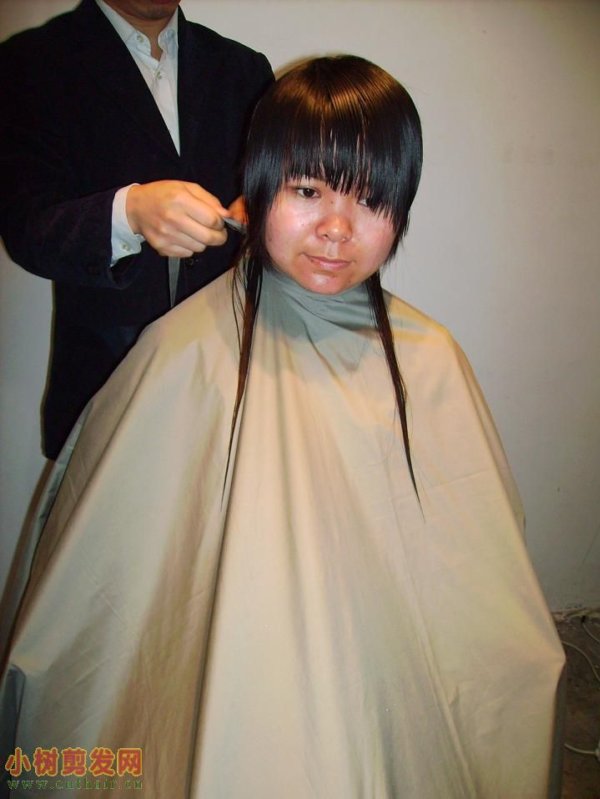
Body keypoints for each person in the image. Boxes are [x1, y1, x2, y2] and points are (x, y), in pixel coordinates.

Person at [1, 56, 564, 798]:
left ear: (402, 212)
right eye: (306, 191)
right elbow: (105, 601)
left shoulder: (429, 360)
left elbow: (481, 590)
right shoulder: (182, 355)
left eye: (370, 199)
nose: (336, 228)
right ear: (257, 187)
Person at [0, 0, 273, 459]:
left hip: (234, 388)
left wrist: (265, 208)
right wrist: (128, 213)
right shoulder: (29, 63)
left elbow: (275, 189)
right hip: (106, 389)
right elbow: (27, 228)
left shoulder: (245, 68)